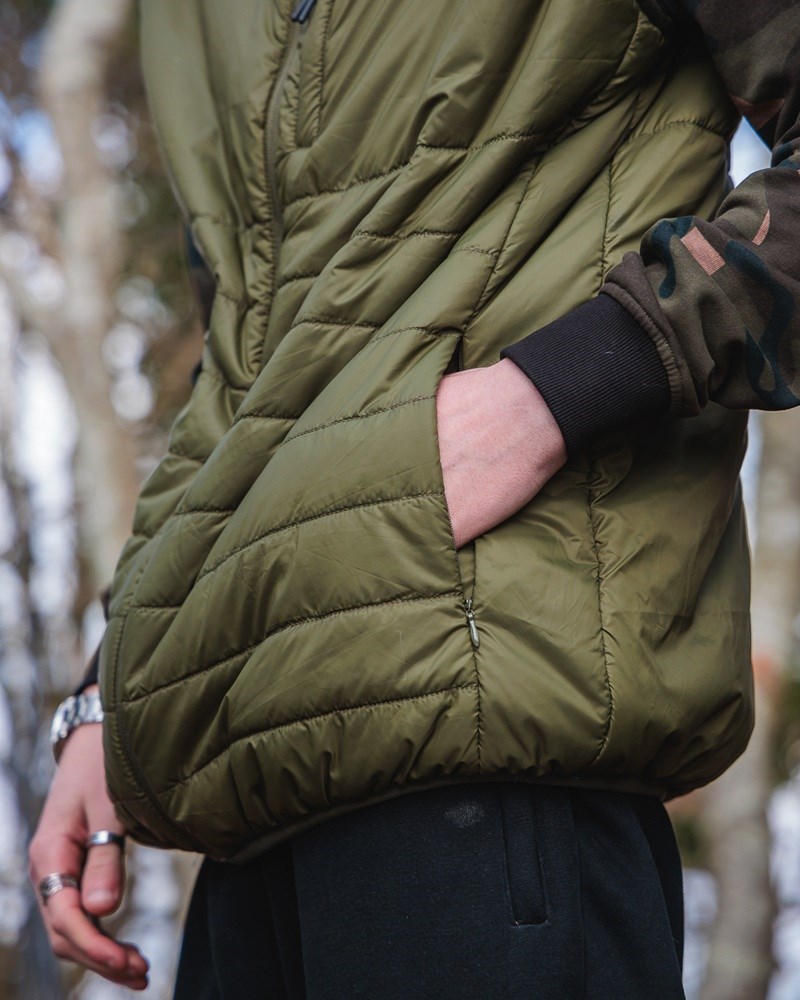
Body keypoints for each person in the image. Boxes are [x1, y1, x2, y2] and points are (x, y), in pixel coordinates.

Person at [28, 0, 800, 996]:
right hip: (244, 786)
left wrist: (554, 392)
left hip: (497, 722)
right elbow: (243, 364)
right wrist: (113, 684)